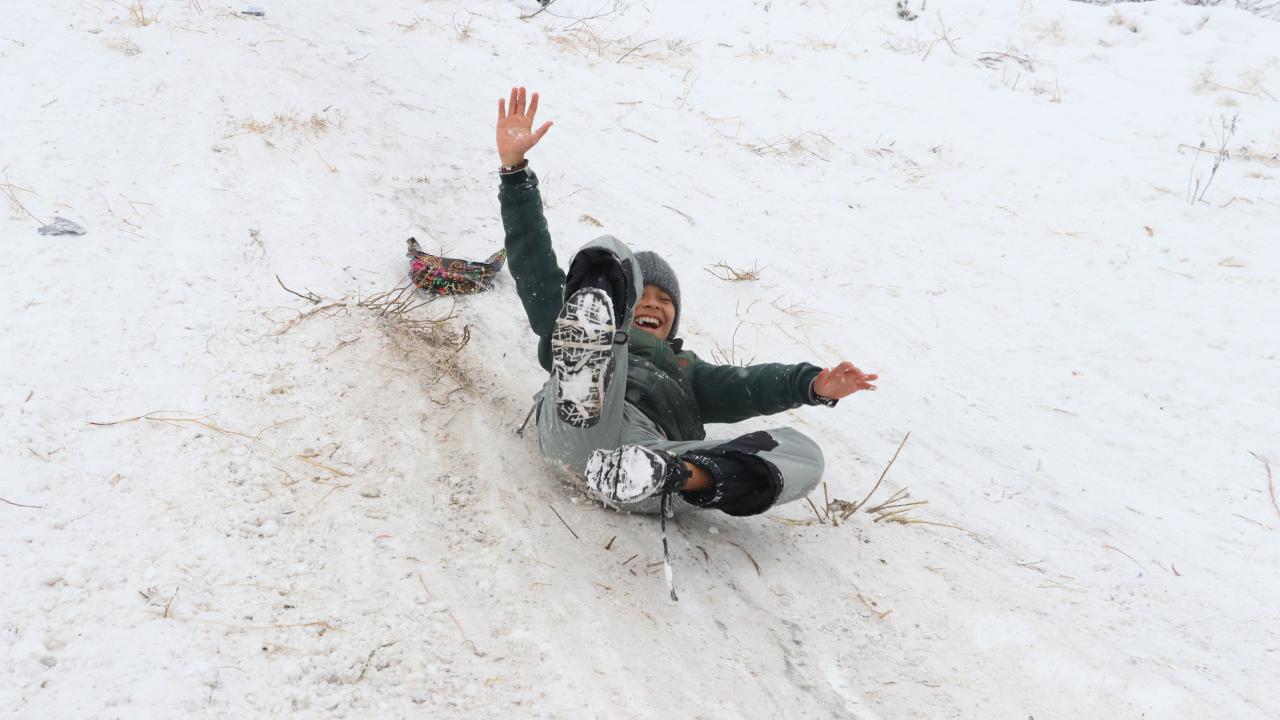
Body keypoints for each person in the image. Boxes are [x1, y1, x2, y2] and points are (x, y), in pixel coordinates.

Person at [496, 86, 878, 519]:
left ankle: (676, 474)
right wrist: (515, 173)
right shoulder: (576, 327)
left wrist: (814, 385)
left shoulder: (686, 371)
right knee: (609, 250)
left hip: (651, 455)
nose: (653, 304)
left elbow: (751, 385)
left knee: (803, 452)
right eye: (641, 294)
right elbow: (537, 270)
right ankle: (587, 370)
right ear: (621, 302)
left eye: (665, 300)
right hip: (581, 425)